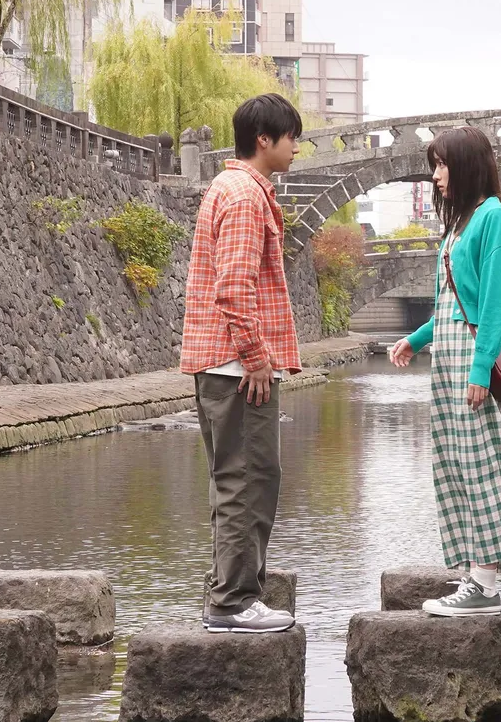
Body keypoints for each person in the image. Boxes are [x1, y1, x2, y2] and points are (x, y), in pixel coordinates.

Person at [388, 125, 501, 616]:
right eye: (433, 164)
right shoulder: (463, 222)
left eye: (442, 164)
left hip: (473, 358)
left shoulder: (495, 219)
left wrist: (480, 371)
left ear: (468, 165)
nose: (436, 175)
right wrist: (414, 340)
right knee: (456, 466)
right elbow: (451, 304)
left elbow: (497, 306)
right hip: (450, 357)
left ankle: (485, 585)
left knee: (484, 467)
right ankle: (474, 577)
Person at [180, 93, 303, 633]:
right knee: (249, 481)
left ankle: (229, 595)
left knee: (234, 480)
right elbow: (234, 287)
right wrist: (256, 358)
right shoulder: (246, 198)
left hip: (220, 363)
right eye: (291, 137)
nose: (296, 148)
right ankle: (233, 601)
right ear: (264, 140)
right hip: (237, 368)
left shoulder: (227, 189)